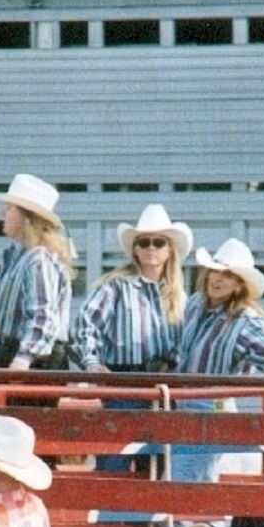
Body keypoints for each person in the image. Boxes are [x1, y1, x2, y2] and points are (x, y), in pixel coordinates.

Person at [171, 237, 264, 488]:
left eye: (227, 274)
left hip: (211, 404)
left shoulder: (242, 320)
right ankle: (197, 523)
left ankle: (187, 524)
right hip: (183, 402)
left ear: (239, 285)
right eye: (214, 270)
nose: (217, 278)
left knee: (186, 476)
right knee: (193, 475)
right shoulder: (196, 304)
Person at [69, 203, 191, 473]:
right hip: (123, 383)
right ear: (135, 249)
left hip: (165, 387)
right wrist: (92, 364)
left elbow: (188, 343)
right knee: (115, 458)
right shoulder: (116, 286)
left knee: (159, 466)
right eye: (144, 242)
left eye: (158, 242)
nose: (151, 248)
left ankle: (149, 516)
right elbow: (84, 327)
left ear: (169, 250)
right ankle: (112, 514)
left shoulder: (178, 297)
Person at [0, 175, 74, 403]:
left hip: (34, 362)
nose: (2, 213)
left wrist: (23, 359)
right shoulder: (16, 257)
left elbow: (42, 317)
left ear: (25, 217)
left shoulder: (38, 260)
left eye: (9, 208)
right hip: (16, 354)